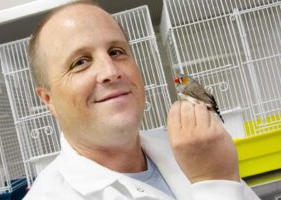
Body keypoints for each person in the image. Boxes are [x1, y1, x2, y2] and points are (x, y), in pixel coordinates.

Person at [23, 1, 260, 199]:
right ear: (48, 99)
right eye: (80, 62)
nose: (110, 71)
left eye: (116, 51)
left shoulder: (191, 148)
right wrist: (215, 185)